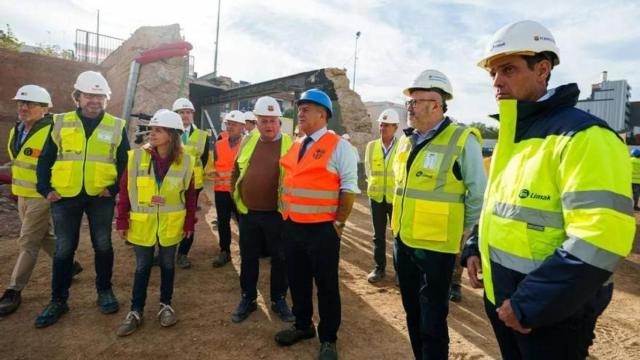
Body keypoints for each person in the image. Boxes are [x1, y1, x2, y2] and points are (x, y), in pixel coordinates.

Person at [462, 20, 635, 359]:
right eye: (493, 73)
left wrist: (531, 304)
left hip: (552, 315)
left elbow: (599, 239)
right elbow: (498, 204)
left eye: (508, 69)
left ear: (542, 69)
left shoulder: (586, 138)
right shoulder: (512, 139)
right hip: (506, 302)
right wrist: (473, 245)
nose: (497, 81)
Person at [392, 69, 486, 359]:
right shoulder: (408, 140)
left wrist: (464, 232)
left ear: (436, 103)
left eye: (415, 101)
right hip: (403, 242)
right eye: (409, 101)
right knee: (412, 313)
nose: (409, 107)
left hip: (436, 248)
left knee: (432, 320)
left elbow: (478, 195)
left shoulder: (461, 139)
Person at [34, 71, 129, 328]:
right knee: (64, 249)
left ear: (106, 99)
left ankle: (104, 291)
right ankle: (58, 300)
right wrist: (45, 188)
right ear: (78, 97)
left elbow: (125, 163)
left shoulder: (116, 125)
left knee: (103, 246)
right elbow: (45, 158)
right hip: (65, 195)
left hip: (101, 196)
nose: (94, 101)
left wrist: (113, 188)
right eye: (88, 95)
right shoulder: (60, 122)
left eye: (99, 96)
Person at [274, 89, 359, 360]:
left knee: (326, 286)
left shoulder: (340, 146)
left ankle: (328, 339)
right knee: (297, 280)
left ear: (323, 115)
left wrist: (338, 224)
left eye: (307, 108)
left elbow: (349, 189)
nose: (300, 113)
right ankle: (303, 325)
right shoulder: (297, 144)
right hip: (293, 226)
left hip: (323, 229)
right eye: (300, 108)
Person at [0, 85, 83, 316]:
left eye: (30, 104)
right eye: (21, 103)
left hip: (42, 195)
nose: (23, 107)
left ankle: (13, 290)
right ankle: (71, 265)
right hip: (21, 194)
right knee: (44, 235)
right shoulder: (16, 130)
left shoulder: (53, 130)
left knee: (27, 241)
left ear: (44, 109)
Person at [115, 110, 196, 336]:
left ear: (171, 135)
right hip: (142, 223)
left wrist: (190, 222)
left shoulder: (186, 161)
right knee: (142, 268)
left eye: (158, 130)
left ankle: (165, 305)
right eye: (152, 129)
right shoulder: (136, 157)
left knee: (168, 266)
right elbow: (125, 190)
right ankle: (135, 310)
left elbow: (190, 196)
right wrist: (122, 220)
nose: (152, 134)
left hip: (171, 224)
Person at [229, 96, 294, 323]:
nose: (268, 125)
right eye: (263, 120)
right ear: (256, 121)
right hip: (249, 213)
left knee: (280, 258)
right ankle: (248, 298)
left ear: (279, 122)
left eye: (272, 120)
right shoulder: (248, 141)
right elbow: (236, 171)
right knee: (248, 258)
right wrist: (237, 201)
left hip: (277, 214)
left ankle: (278, 300)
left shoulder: (291, 144)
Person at [172, 97, 210, 269]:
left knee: (189, 218)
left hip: (193, 186)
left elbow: (203, 159)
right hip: (171, 184)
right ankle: (164, 251)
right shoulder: (169, 133)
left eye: (188, 112)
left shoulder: (202, 135)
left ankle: (182, 254)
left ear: (192, 114)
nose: (185, 116)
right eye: (181, 112)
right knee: (168, 216)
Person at [364, 109, 399, 283]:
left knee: (398, 236)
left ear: (396, 127)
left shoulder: (402, 147)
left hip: (396, 199)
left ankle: (400, 273)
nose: (383, 127)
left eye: (387, 125)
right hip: (376, 197)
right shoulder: (371, 146)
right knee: (378, 236)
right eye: (381, 124)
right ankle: (379, 268)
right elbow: (368, 170)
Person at [211, 110, 244, 267]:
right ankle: (225, 251)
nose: (230, 126)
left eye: (234, 124)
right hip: (221, 192)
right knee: (223, 222)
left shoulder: (247, 145)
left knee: (243, 222)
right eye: (228, 124)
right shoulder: (218, 145)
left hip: (240, 193)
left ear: (242, 126)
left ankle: (246, 250)